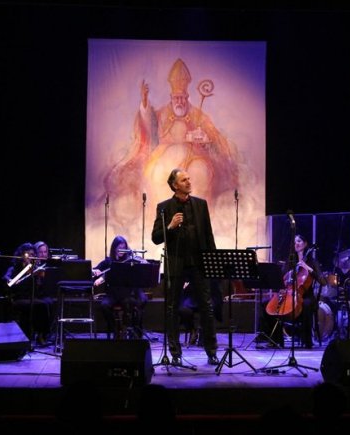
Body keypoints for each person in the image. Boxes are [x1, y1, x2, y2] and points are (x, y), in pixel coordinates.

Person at [103, 58, 241, 227]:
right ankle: (164, 220)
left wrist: (204, 138)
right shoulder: (162, 113)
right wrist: (145, 105)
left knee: (201, 172)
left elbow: (212, 136)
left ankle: (197, 221)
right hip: (163, 156)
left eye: (182, 98)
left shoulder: (197, 114)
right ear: (171, 98)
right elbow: (148, 125)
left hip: (195, 157)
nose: (180, 101)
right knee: (157, 173)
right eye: (177, 98)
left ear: (187, 97)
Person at [151, 168, 219, 365]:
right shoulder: (164, 207)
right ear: (174, 185)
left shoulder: (200, 204)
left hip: (198, 263)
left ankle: (211, 351)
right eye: (184, 180)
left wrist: (213, 262)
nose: (189, 182)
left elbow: (208, 235)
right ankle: (175, 353)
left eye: (189, 179)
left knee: (206, 306)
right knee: (172, 308)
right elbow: (156, 237)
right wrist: (170, 226)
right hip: (176, 264)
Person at [259, 234, 327, 349]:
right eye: (295, 242)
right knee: (265, 305)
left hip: (306, 295)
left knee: (306, 305)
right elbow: (282, 279)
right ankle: (275, 339)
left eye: (299, 241)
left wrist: (308, 268)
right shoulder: (291, 261)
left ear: (305, 244)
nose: (296, 244)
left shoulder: (312, 262)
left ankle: (307, 341)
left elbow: (323, 281)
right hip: (288, 294)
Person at [92, 235, 148, 338]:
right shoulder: (108, 261)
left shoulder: (130, 260)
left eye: (124, 248)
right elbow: (94, 270)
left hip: (126, 293)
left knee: (133, 302)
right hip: (112, 294)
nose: (121, 250)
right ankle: (115, 328)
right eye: (119, 248)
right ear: (114, 248)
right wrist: (96, 272)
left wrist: (144, 263)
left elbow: (142, 267)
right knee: (104, 305)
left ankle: (132, 329)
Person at [3, 242, 54, 346]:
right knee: (42, 305)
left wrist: (39, 277)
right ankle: (39, 336)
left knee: (46, 303)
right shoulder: (15, 266)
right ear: (22, 255)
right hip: (19, 297)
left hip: (31, 296)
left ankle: (41, 335)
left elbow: (39, 287)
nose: (30, 257)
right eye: (28, 255)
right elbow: (6, 279)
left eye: (32, 255)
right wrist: (11, 280)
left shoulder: (34, 268)